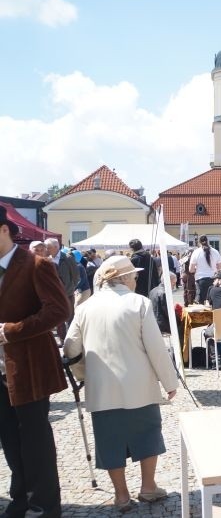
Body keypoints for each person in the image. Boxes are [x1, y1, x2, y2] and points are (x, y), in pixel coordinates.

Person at [63, 255, 178, 513]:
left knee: (109, 439)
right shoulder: (139, 303)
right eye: (135, 276)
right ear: (124, 278)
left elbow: (70, 348)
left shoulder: (85, 307)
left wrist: (84, 374)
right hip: (139, 385)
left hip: (102, 387)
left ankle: (121, 495)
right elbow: (156, 348)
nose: (136, 280)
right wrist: (169, 381)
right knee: (147, 434)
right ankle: (148, 487)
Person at [0, 207, 70, 517]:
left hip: (29, 367)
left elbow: (58, 311)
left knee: (35, 439)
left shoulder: (36, 264)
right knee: (10, 441)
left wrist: (12, 331)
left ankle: (44, 504)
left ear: (4, 230)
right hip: (1, 372)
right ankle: (20, 499)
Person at [45, 237, 78, 340]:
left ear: (56, 247)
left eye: (48, 247)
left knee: (69, 316)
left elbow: (76, 276)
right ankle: (62, 339)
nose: (46, 249)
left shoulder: (67, 258)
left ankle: (72, 339)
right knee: (58, 318)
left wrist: (71, 288)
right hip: (54, 294)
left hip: (67, 293)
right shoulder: (47, 259)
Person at [189, 236, 221, 305]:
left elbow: (191, 270)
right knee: (213, 301)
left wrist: (196, 268)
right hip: (213, 279)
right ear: (208, 241)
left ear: (199, 242)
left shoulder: (196, 252)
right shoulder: (215, 251)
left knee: (201, 302)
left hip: (201, 279)